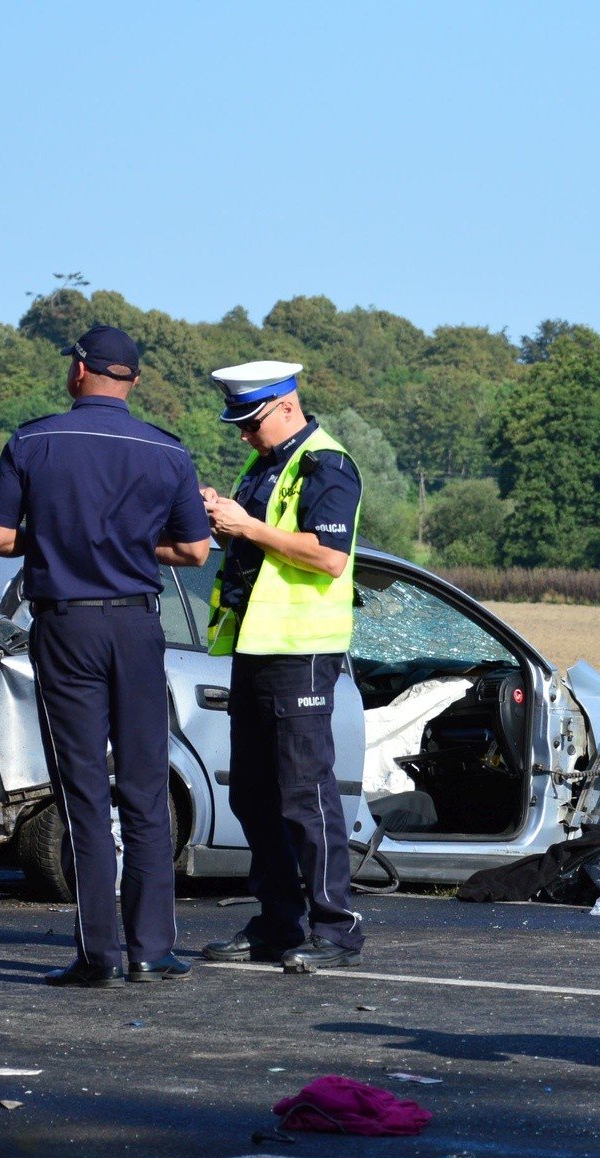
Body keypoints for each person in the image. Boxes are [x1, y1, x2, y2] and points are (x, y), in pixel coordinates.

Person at [0, 324, 213, 988]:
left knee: (83, 789)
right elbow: (195, 551)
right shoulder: (167, 452)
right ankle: (152, 948)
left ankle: (98, 953)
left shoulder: (32, 440)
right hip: (138, 629)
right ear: (133, 381)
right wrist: (133, 550)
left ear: (79, 371)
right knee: (144, 787)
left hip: (67, 626)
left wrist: (55, 538)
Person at [197, 360, 366, 974]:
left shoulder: (327, 464)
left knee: (305, 795)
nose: (244, 434)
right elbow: (251, 543)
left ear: (286, 406)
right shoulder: (267, 463)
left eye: (251, 421)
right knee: (253, 793)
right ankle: (276, 921)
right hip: (256, 646)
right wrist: (222, 518)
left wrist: (249, 526)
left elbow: (327, 557)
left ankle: (335, 928)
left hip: (303, 651)